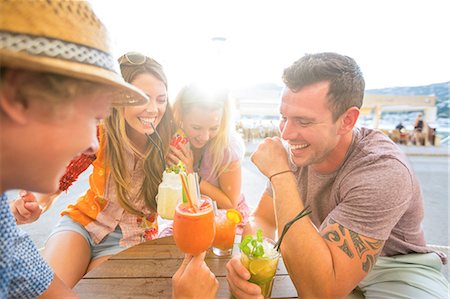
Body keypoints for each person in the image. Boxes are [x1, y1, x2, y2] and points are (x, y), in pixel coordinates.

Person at [1, 1, 217, 298]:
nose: (152, 109)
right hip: (83, 222)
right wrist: (39, 202)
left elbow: (181, 205)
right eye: (89, 112)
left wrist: (184, 172)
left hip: (130, 237)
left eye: (161, 98)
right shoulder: (103, 134)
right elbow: (61, 180)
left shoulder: (173, 142)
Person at [226, 52, 449, 298]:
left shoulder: (382, 170)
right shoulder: (300, 152)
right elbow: (264, 220)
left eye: (303, 121)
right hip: (330, 256)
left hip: (397, 269)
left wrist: (281, 175)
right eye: (283, 117)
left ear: (347, 120)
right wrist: (254, 259)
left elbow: (321, 293)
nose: (287, 134)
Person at [167, 84, 250, 231]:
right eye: (197, 128)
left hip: (226, 218)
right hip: (193, 214)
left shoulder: (227, 148)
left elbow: (230, 203)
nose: (205, 137)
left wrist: (191, 175)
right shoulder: (175, 140)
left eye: (213, 128)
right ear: (181, 116)